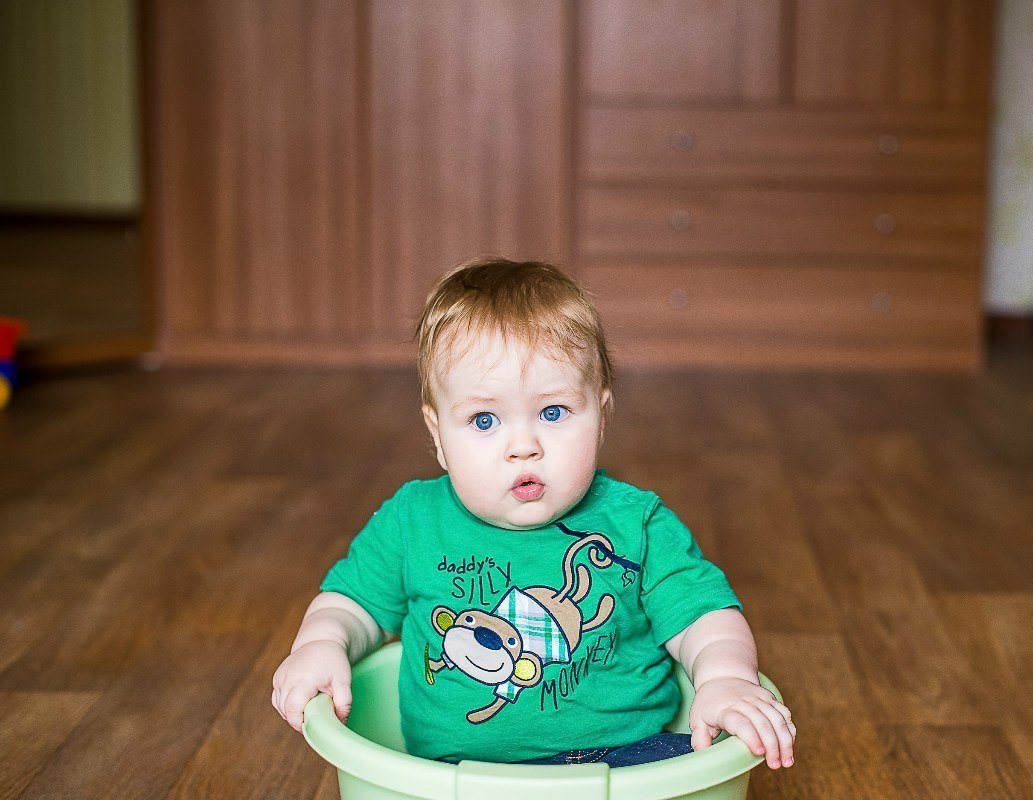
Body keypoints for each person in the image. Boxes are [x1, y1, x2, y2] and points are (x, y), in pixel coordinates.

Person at [271, 259, 795, 769]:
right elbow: (350, 605)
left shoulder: (637, 525)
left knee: (689, 763)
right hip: (454, 773)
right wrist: (321, 643)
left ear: (601, 416)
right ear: (438, 436)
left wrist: (725, 678)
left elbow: (705, 617)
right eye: (483, 420)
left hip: (621, 761)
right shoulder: (412, 522)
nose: (523, 446)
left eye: (553, 412)